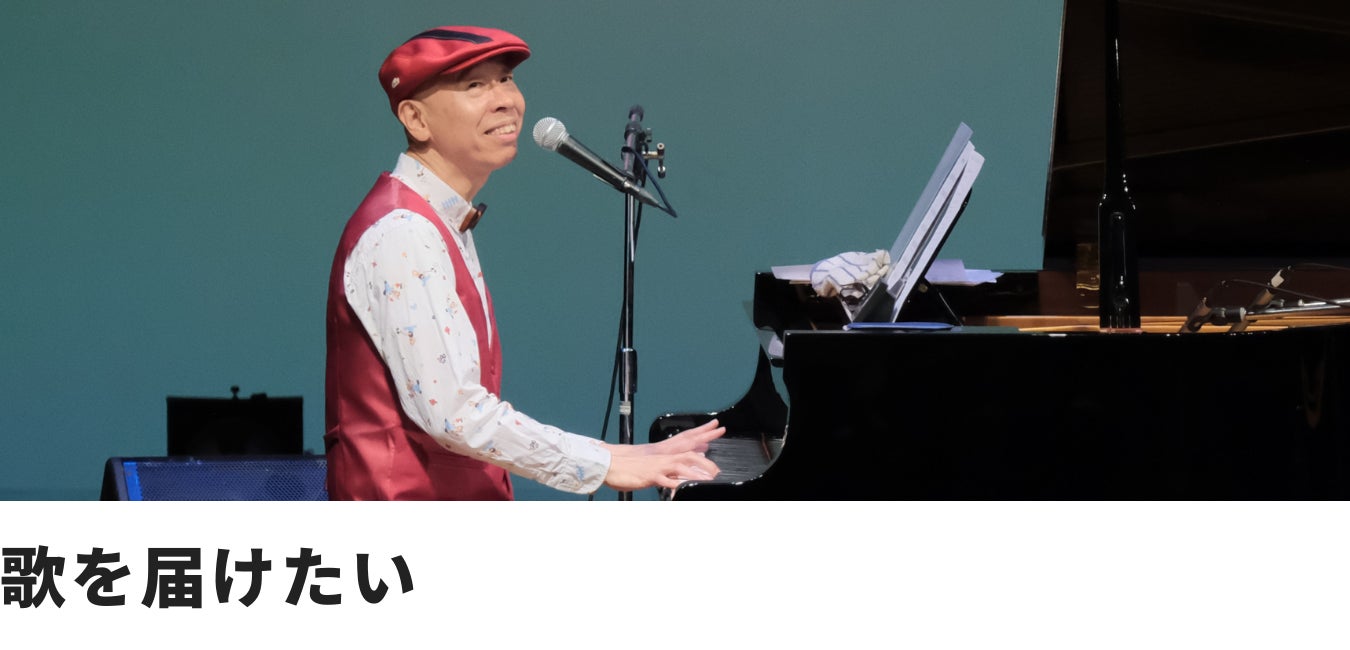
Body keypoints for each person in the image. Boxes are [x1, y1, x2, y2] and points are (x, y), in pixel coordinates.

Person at [324, 25, 724, 500]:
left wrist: (612, 455)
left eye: (506, 80)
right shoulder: (404, 233)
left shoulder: (437, 219)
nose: (505, 101)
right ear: (416, 118)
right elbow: (455, 416)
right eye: (475, 85)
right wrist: (605, 462)